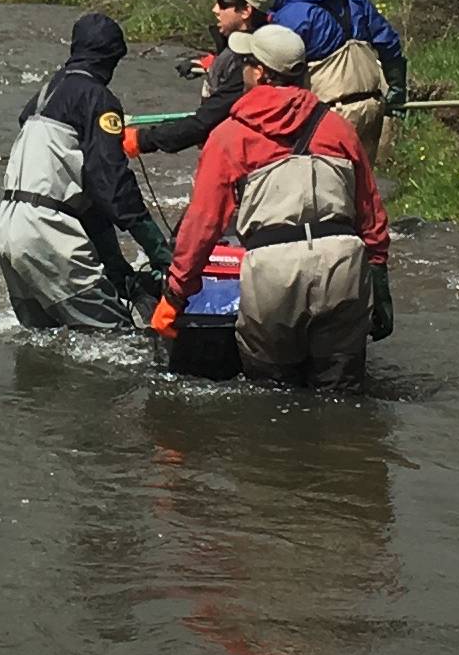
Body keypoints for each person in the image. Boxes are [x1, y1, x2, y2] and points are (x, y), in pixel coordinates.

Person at [150, 23, 393, 386]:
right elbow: (371, 216)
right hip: (343, 264)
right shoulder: (338, 129)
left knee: (273, 395)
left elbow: (202, 227)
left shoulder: (230, 137)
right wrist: (379, 283)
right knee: (342, 391)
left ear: (260, 72)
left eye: (246, 62)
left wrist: (174, 296)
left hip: (273, 272)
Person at [0, 12, 174, 330]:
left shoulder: (44, 95)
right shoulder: (97, 99)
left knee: (46, 340)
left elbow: (84, 195)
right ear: (111, 58)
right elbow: (111, 184)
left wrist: (117, 269)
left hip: (7, 228)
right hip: (46, 231)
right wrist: (158, 249)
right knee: (118, 340)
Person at [262, 0, 407, 156]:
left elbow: (278, 68)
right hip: (371, 108)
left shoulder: (292, 13)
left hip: (326, 115)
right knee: (361, 185)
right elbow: (388, 41)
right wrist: (397, 87)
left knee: (325, 187)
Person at [121, 0, 275, 163]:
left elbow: (204, 122)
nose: (215, 9)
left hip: (242, 160)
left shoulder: (250, 63)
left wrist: (143, 140)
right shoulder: (249, 46)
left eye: (223, 3)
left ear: (246, 10)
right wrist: (208, 65)